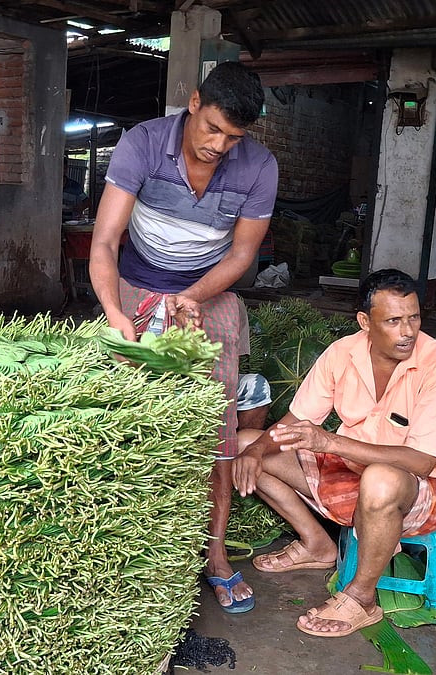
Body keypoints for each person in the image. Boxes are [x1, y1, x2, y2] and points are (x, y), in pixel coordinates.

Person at [88, 61, 278, 614]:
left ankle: (215, 554)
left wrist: (193, 297)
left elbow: (243, 253)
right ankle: (121, 549)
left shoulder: (259, 167)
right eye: (212, 128)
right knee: (123, 418)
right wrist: (113, 312)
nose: (219, 145)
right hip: (133, 283)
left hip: (210, 291)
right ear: (194, 102)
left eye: (233, 137)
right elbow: (104, 242)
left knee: (215, 427)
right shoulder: (142, 144)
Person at [232, 269, 436, 637]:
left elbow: (421, 462)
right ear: (364, 321)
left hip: (415, 490)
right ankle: (316, 544)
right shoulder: (343, 353)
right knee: (245, 444)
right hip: (345, 475)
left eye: (414, 317)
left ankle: (361, 598)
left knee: (381, 478)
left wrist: (330, 443)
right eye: (393, 321)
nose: (407, 331)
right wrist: (257, 449)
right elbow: (297, 420)